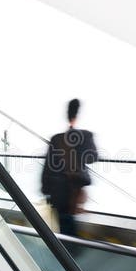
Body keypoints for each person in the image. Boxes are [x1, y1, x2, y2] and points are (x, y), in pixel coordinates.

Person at [41, 98, 98, 236]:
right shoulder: (85, 136)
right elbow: (93, 157)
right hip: (73, 193)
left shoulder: (56, 139)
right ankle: (70, 253)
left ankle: (66, 252)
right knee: (69, 229)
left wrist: (45, 190)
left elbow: (48, 167)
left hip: (57, 193)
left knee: (64, 226)